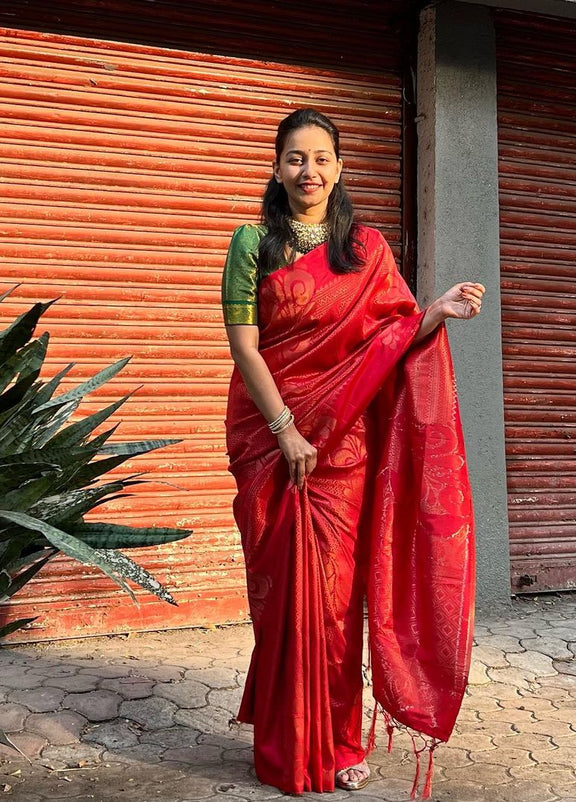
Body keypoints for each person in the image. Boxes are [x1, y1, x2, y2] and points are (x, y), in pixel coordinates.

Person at [222, 108, 482, 798]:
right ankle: (284, 742)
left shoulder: (365, 250)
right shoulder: (251, 243)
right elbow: (245, 348)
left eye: (323, 158)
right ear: (277, 169)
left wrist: (438, 309)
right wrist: (285, 430)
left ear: (339, 168)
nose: (310, 171)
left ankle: (339, 742)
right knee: (280, 604)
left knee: (337, 607)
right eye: (296, 159)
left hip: (343, 449)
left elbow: (390, 336)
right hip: (272, 444)